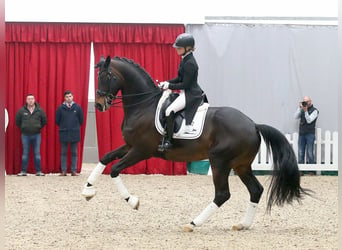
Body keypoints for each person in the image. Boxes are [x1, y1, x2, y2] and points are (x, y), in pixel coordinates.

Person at [158, 33, 207, 151]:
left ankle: (169, 141)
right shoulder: (185, 59)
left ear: (188, 48)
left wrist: (169, 85)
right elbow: (179, 78)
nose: (177, 50)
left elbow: (185, 84)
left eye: (179, 48)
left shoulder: (190, 63)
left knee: (169, 111)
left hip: (191, 94)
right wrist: (166, 82)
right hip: (185, 91)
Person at [15, 94, 47, 176]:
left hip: (37, 135)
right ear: (26, 100)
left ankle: (38, 171)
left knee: (37, 153)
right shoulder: (21, 111)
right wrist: (23, 128)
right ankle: (23, 171)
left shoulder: (40, 110)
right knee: (25, 153)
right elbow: (17, 122)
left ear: (34, 100)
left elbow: (44, 121)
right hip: (25, 135)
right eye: (29, 99)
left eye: (32, 99)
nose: (30, 100)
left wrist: (38, 127)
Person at [55, 90, 84, 176]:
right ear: (64, 98)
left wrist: (74, 127)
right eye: (67, 97)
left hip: (74, 133)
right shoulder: (60, 108)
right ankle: (64, 171)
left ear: (73, 97)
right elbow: (57, 121)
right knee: (63, 153)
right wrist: (64, 126)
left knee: (74, 153)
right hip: (64, 133)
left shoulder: (78, 108)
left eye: (70, 96)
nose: (68, 98)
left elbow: (81, 120)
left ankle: (73, 170)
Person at [294, 96, 319, 175]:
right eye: (304, 101)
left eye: (307, 101)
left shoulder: (315, 111)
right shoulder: (302, 109)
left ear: (310, 102)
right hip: (302, 133)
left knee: (310, 152)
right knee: (301, 152)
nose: (306, 103)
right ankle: (301, 170)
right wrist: (299, 108)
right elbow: (295, 117)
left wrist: (305, 111)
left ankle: (311, 171)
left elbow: (309, 121)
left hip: (310, 134)